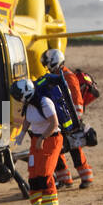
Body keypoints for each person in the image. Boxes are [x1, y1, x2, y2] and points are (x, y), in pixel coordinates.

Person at [38, 48, 95, 190]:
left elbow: (76, 99)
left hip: (70, 121)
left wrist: (75, 118)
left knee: (75, 148)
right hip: (61, 119)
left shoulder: (68, 77)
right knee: (58, 149)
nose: (46, 67)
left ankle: (86, 176)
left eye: (47, 64)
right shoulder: (57, 76)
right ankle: (65, 179)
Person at [12, 77, 61, 205]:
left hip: (50, 140)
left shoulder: (44, 102)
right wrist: (22, 133)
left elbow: (54, 123)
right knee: (34, 174)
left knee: (45, 172)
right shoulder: (30, 104)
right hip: (36, 140)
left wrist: (42, 138)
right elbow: (28, 119)